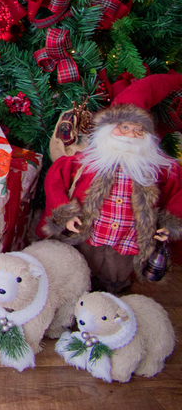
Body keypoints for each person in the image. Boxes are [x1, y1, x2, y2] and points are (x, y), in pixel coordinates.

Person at [41, 102, 182, 294]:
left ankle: (110, 296)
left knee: (117, 274)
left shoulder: (159, 170)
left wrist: (168, 223)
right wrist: (64, 213)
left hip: (128, 238)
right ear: (107, 130)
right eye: (124, 128)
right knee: (80, 264)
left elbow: (176, 194)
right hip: (88, 233)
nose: (131, 136)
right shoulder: (86, 162)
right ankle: (74, 289)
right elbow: (56, 179)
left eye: (139, 131)